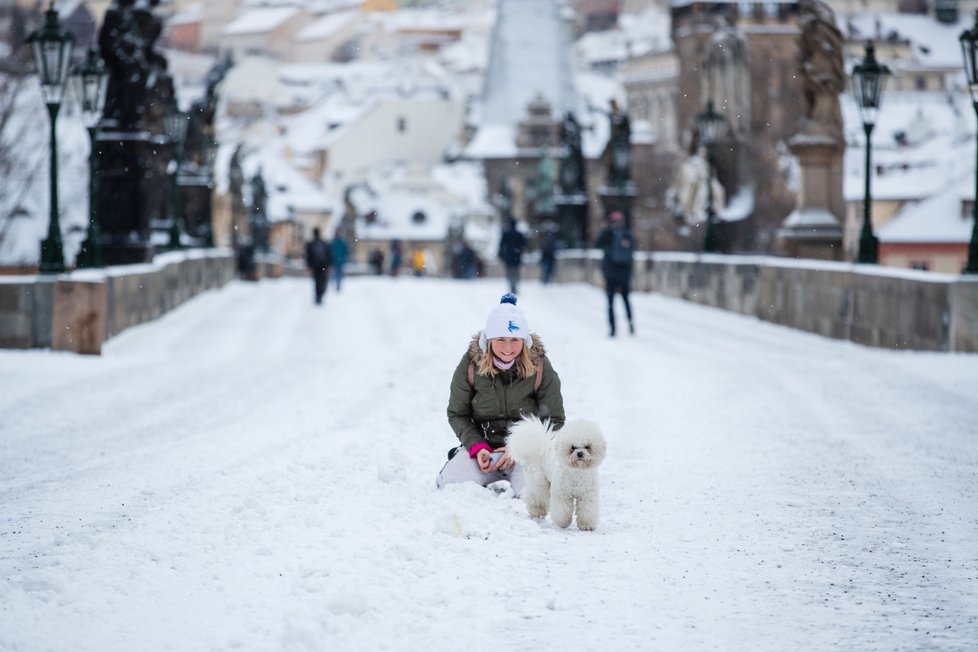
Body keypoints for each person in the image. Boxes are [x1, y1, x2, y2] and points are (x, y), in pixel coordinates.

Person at [437, 294, 565, 497]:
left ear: (524, 340)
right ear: (489, 340)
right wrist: (477, 446)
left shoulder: (540, 365)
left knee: (533, 495)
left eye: (515, 339)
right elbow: (457, 413)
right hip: (483, 450)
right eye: (501, 339)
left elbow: (555, 418)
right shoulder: (471, 365)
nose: (508, 348)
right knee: (453, 487)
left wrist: (518, 448)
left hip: (526, 454)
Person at [595, 211, 635, 336]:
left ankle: (613, 329)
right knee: (626, 299)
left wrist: (604, 230)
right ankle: (630, 323)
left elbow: (597, 244)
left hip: (611, 273)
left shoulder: (608, 234)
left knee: (611, 302)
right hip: (624, 273)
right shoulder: (627, 234)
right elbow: (632, 250)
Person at [498, 218, 527, 294]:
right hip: (517, 257)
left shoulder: (506, 234)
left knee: (510, 273)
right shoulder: (519, 234)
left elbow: (501, 246)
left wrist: (501, 255)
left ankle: (512, 286)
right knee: (516, 273)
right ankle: (514, 286)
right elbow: (524, 245)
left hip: (508, 257)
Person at [305, 227, 333, 305]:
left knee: (317, 282)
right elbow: (329, 255)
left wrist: (309, 266)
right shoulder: (323, 243)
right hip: (322, 266)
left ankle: (318, 296)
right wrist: (330, 265)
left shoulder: (311, 244)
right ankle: (319, 295)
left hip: (316, 266)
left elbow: (308, 257)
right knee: (322, 281)